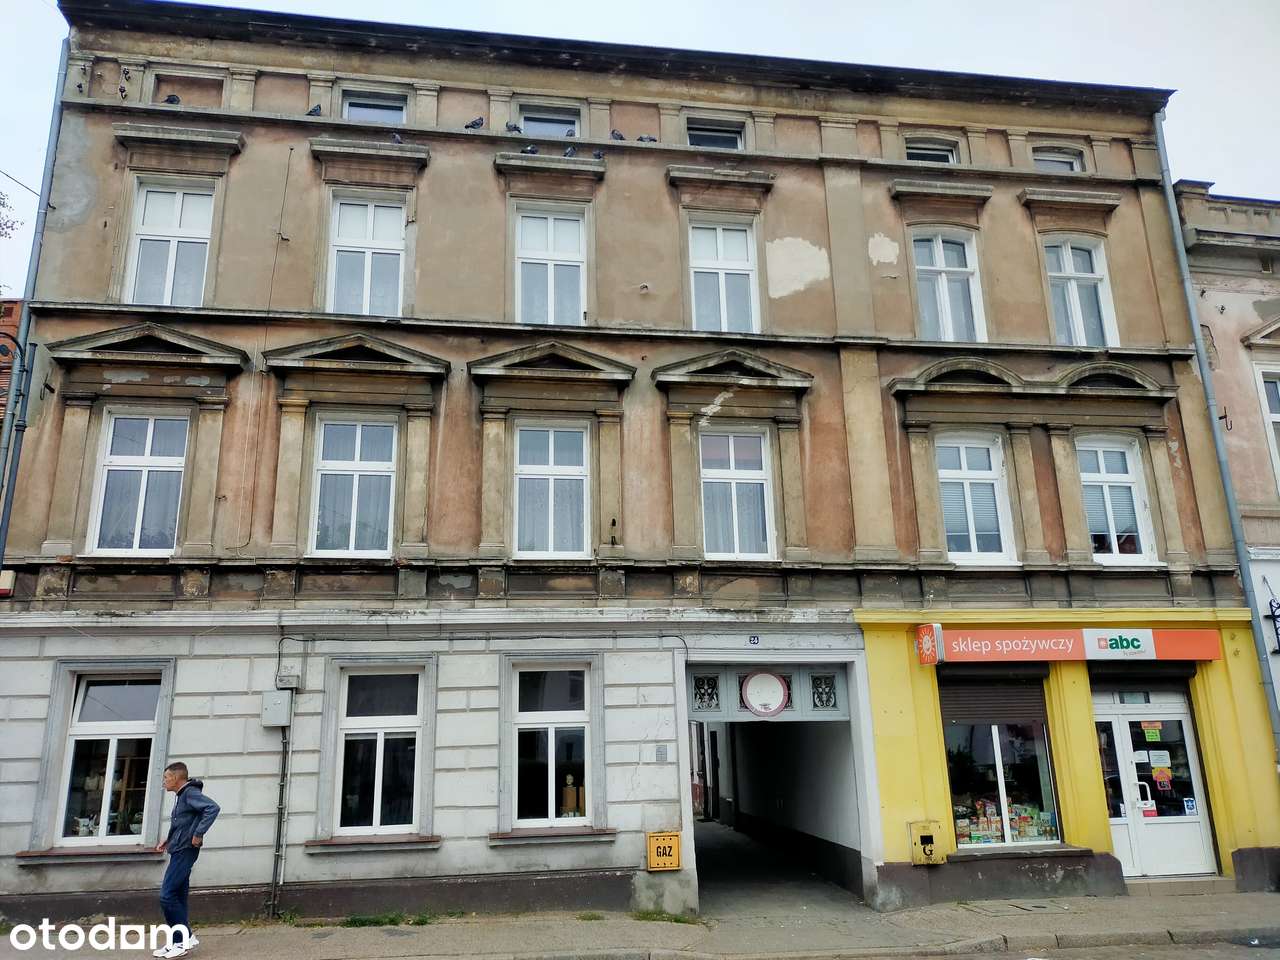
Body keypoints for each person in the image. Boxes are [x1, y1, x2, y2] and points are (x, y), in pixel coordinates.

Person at [153, 762, 220, 959]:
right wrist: (168, 839)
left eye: (166, 777)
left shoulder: (190, 793)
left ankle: (184, 939)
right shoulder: (182, 795)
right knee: (178, 896)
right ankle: (178, 941)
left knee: (167, 896)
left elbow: (213, 808)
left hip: (185, 850)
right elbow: (182, 823)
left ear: (176, 778)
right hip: (179, 847)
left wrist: (198, 834)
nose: (164, 781)